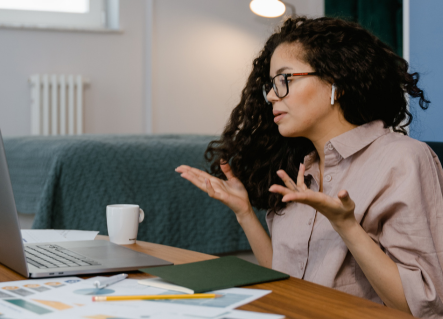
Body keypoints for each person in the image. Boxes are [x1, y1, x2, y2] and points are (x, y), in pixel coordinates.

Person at [175, 17, 443, 317]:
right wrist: (245, 213)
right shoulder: (299, 168)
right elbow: (287, 279)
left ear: (336, 83)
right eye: (271, 85)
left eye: (285, 80)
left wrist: (346, 226)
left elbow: (424, 306)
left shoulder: (403, 159)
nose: (273, 95)